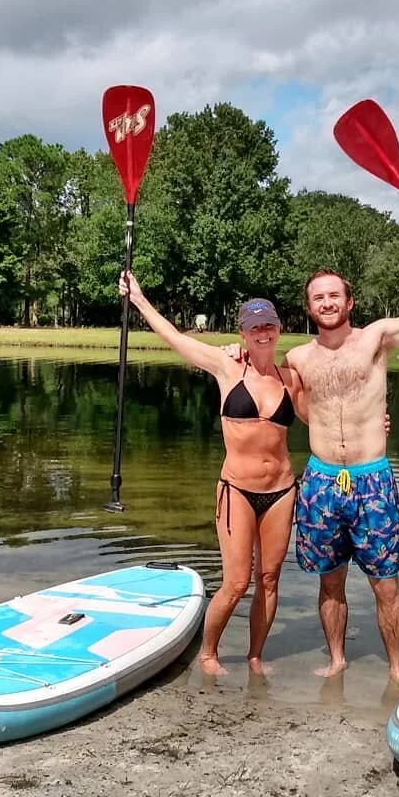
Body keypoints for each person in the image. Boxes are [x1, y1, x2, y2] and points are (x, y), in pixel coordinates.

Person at [284, 241, 399, 689]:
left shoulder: (376, 338)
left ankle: (396, 670)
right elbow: (302, 409)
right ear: (309, 307)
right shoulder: (297, 359)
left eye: (334, 295)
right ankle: (336, 661)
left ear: (349, 302)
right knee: (329, 583)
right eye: (318, 297)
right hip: (322, 481)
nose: (327, 303)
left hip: (372, 481)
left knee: (386, 585)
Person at [118, 270, 301, 677]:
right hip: (236, 489)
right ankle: (208, 653)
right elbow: (175, 339)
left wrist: (377, 425)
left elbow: (325, 421)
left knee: (269, 579)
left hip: (283, 491)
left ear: (279, 328)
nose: (263, 333)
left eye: (269, 325)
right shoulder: (225, 366)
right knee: (236, 583)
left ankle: (255, 657)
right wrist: (140, 300)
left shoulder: (292, 378)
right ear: (243, 331)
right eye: (254, 327)